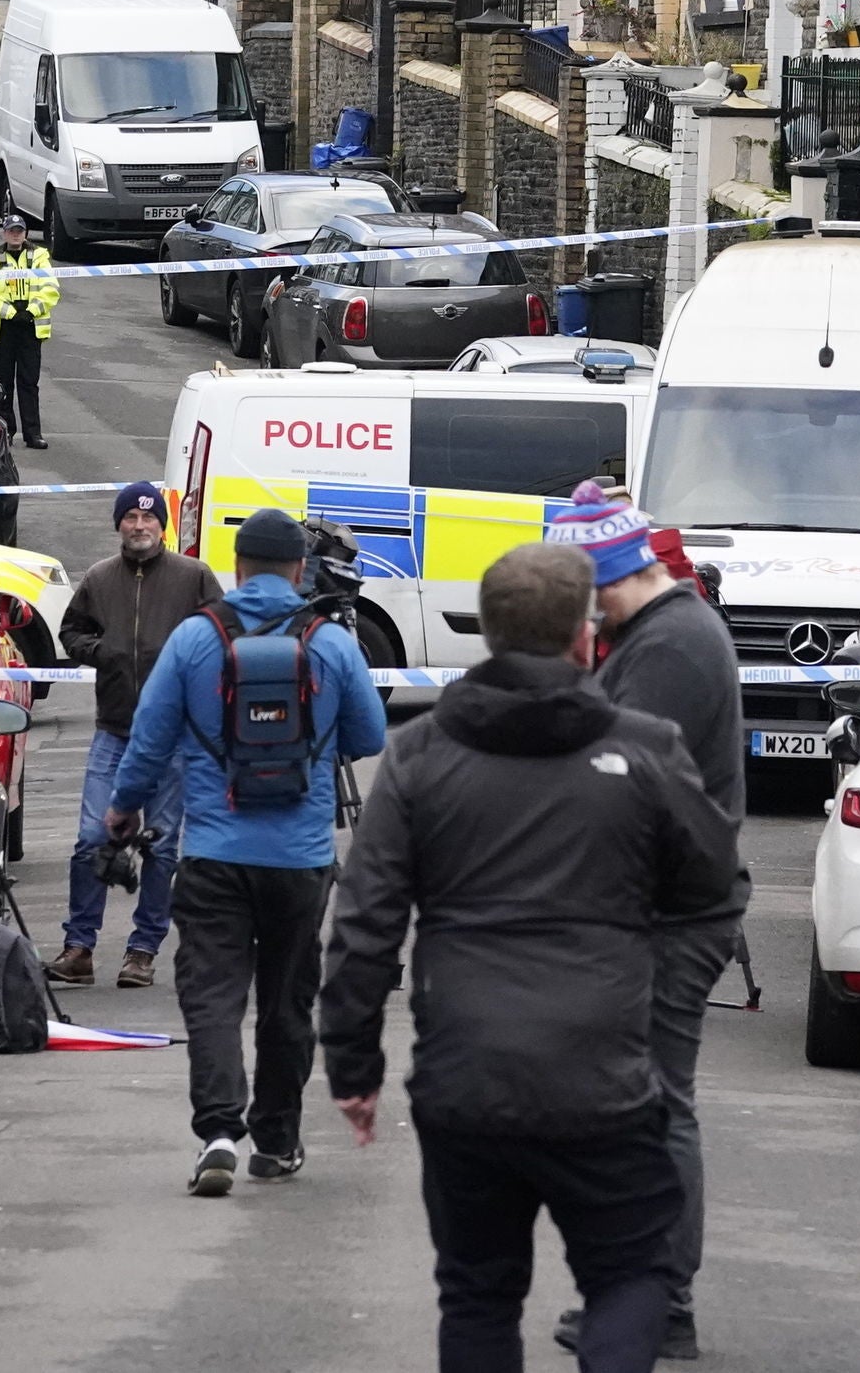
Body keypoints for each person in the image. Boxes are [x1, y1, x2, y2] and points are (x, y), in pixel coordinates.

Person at [320, 543, 735, 1373]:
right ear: (586, 638)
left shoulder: (422, 753)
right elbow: (709, 877)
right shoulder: (646, 749)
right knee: (631, 1273)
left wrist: (353, 1068)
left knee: (477, 1291)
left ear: (487, 635)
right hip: (604, 1074)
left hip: (466, 1074)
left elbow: (364, 923)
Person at [108, 506, 385, 1195]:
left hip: (214, 850)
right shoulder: (329, 641)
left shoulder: (195, 639)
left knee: (212, 994)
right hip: (299, 856)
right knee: (288, 1000)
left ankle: (219, 1130)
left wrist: (122, 808)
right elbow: (371, 734)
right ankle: (279, 1139)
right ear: (301, 569)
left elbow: (148, 737)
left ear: (236, 567)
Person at [551, 486, 744, 1363]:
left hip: (672, 910)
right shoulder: (661, 633)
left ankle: (662, 1300)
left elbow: (622, 787)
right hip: (666, 904)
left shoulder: (670, 646)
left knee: (658, 1105)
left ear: (604, 572)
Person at [50, 480, 221, 988]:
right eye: (131, 518)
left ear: (162, 525)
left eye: (149, 518)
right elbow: (71, 631)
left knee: (162, 846)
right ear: (119, 524)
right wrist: (103, 652)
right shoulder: (100, 578)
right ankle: (79, 947)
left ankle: (142, 951)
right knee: (89, 840)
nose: (140, 525)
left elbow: (224, 632)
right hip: (115, 730)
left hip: (174, 736)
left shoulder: (194, 576)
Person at [0, 210, 59, 450]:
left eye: (19, 231)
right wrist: (11, 313)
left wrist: (30, 311)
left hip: (30, 326)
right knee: (3, 384)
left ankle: (33, 434)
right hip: (4, 327)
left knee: (29, 381)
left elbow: (51, 288)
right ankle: (6, 431)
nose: (15, 235)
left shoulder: (40, 256)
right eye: (11, 231)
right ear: (4, 233)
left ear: (25, 233)